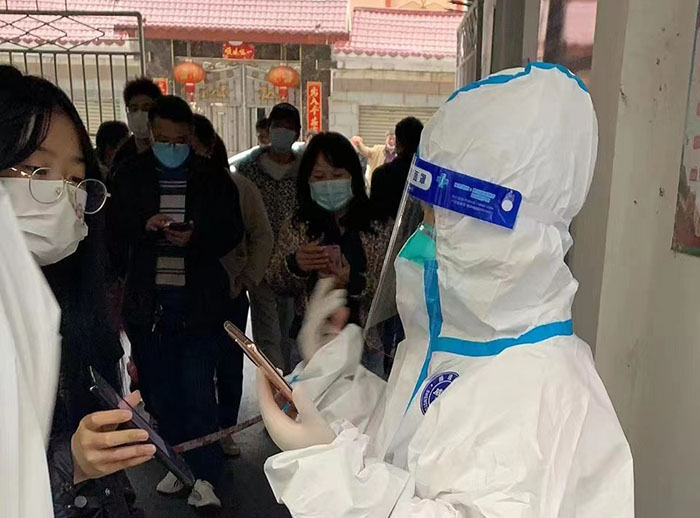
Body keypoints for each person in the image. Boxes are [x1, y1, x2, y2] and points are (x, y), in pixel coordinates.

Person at [256, 64, 634, 517]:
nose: (423, 239)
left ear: (499, 228)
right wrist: (333, 381)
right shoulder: (458, 342)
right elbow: (404, 440)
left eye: (441, 220)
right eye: (424, 214)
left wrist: (335, 476)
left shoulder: (543, 389)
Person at [0, 65, 154, 517]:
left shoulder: (70, 301)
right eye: (36, 170)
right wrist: (71, 463)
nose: (62, 194)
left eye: (73, 179)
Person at [109, 95, 244, 508]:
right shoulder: (129, 174)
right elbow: (113, 229)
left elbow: (232, 229)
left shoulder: (212, 177)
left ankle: (206, 477)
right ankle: (178, 464)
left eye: (180, 141)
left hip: (198, 304)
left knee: (199, 391)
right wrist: (143, 226)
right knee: (161, 394)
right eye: (163, 140)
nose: (172, 148)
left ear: (190, 138)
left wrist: (197, 237)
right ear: (150, 135)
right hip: (148, 305)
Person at [266, 132, 392, 375]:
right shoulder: (297, 225)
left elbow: (391, 291)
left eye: (337, 175)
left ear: (353, 176)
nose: (328, 184)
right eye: (319, 177)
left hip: (365, 348)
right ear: (307, 180)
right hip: (310, 347)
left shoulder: (378, 225)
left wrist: (353, 281)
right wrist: (296, 265)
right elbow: (275, 281)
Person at [191, 113, 274, 457]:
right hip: (182, 296)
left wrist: (247, 277)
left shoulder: (238, 187)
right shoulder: (166, 187)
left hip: (228, 292)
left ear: (209, 147)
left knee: (227, 364)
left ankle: (224, 429)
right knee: (191, 367)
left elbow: (262, 235)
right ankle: (193, 434)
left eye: (189, 145)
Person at [237, 103, 303, 372]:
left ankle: (289, 381)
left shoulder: (305, 172)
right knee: (266, 331)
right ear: (269, 129)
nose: (282, 132)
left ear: (297, 133)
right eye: (278, 126)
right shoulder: (248, 170)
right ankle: (273, 381)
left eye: (289, 127)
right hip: (259, 263)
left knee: (290, 329)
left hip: (294, 266)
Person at [371, 117, 423, 220]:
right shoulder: (428, 177)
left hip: (388, 229)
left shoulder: (381, 174)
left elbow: (375, 218)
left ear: (398, 143)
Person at [111, 77, 163, 171]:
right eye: (134, 108)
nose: (139, 114)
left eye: (146, 108)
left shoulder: (168, 150)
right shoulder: (121, 156)